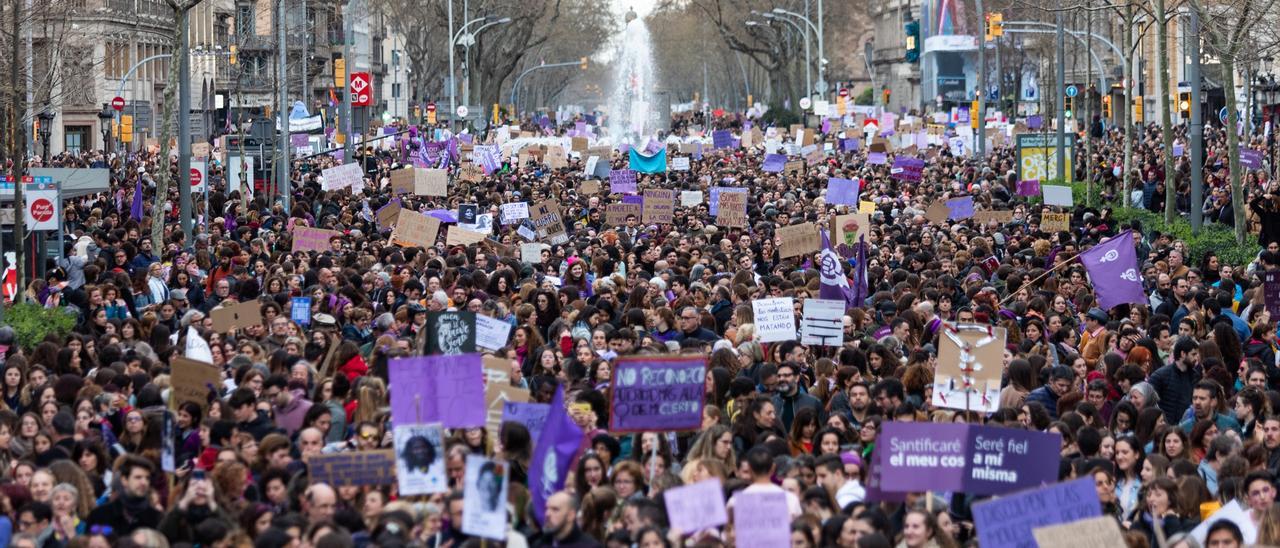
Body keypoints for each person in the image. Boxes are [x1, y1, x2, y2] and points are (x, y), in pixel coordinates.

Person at [84, 455, 162, 535]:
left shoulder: (157, 518)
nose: (144, 482)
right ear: (124, 480)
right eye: (138, 477)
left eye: (147, 478)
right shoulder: (100, 515)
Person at [533, 492, 600, 547]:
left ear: (570, 515)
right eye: (546, 508)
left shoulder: (590, 546)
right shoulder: (539, 543)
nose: (547, 514)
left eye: (555, 509)